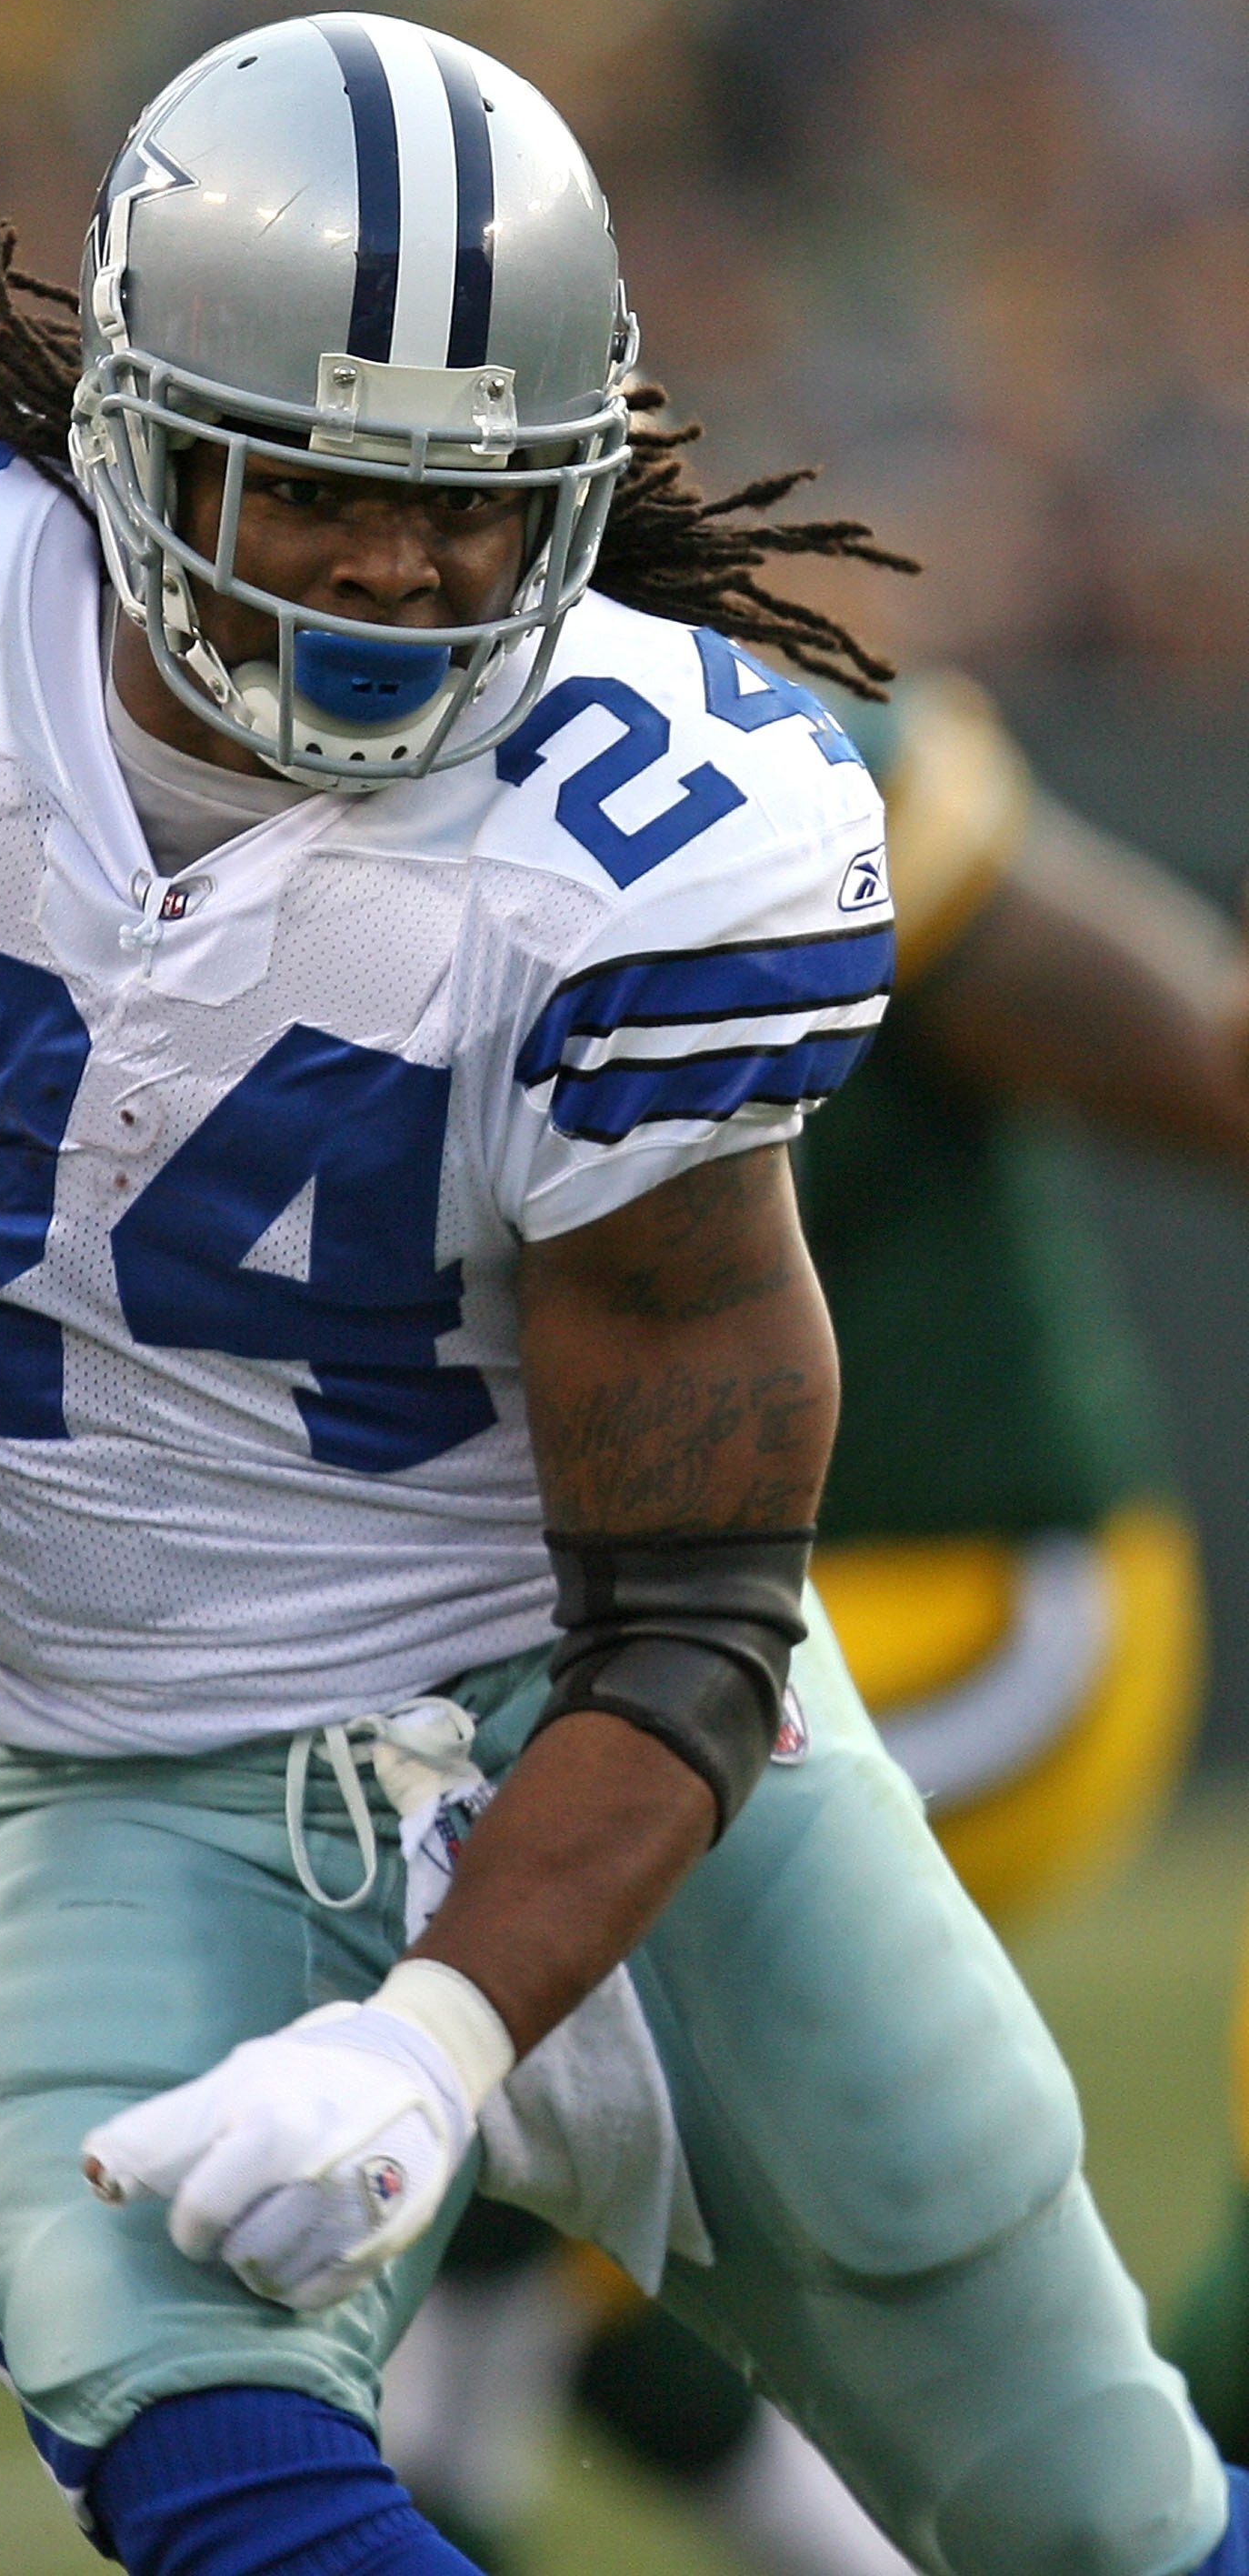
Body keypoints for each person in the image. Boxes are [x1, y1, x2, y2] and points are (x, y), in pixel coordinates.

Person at [0, 15, 1248, 2576]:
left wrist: (433, 2034)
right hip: (115, 1769)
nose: (403, 573)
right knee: (200, 2434)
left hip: (605, 1748)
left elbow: (697, 1613)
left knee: (1099, 2517)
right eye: (317, 488)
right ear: (126, 434)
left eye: (468, 502)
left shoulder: (657, 843)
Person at [388, 666, 1249, 2573]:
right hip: (603, 1630)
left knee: (477, 2103)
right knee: (515, 2146)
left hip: (963, 1598)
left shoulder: (759, 774)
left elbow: (1208, 1056)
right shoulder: (210, 839)